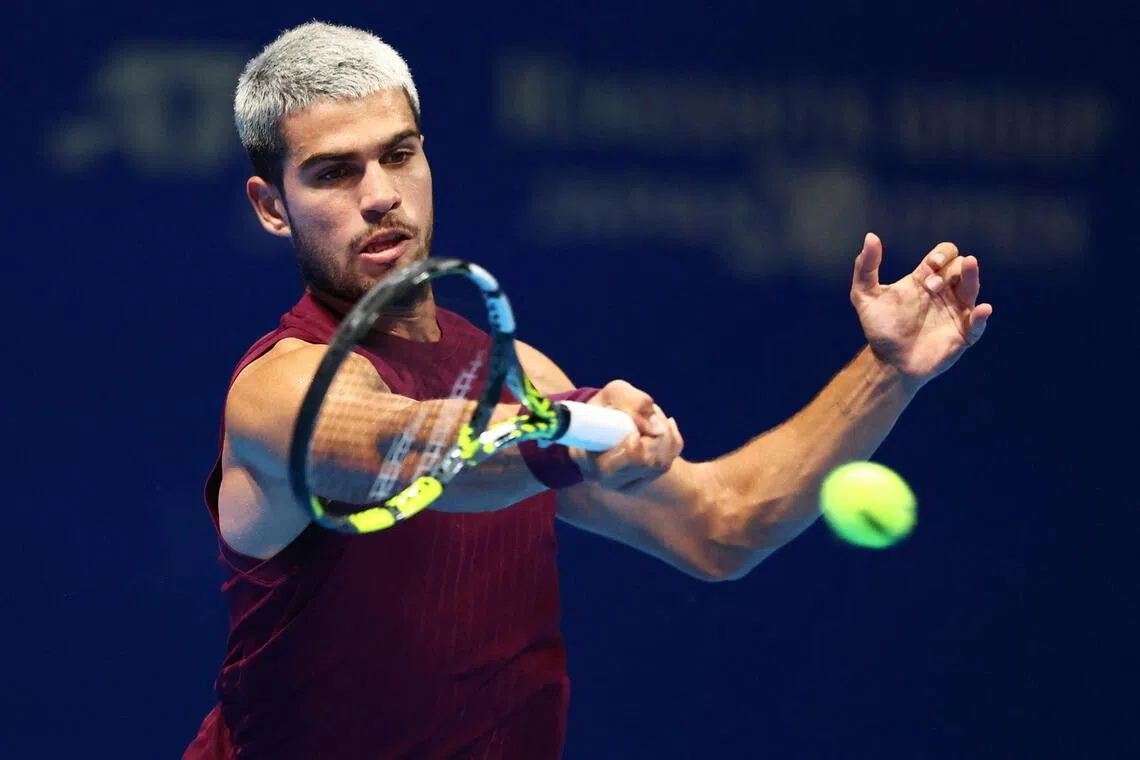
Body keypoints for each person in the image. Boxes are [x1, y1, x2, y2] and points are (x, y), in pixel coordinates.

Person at [183, 20, 992, 760]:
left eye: (399, 154)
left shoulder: (525, 376)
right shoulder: (276, 389)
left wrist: (887, 369)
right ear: (272, 208)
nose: (380, 194)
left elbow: (725, 523)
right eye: (333, 173)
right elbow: (394, 444)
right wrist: (562, 436)